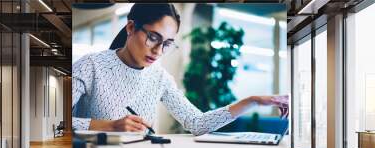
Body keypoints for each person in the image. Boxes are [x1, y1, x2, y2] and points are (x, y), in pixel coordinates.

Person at [72, 3, 289, 136]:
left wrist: (252, 101)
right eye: (153, 38)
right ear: (131, 27)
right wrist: (109, 126)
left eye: (167, 43)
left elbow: (197, 123)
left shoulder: (160, 78)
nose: (158, 50)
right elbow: (57, 124)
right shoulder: (90, 66)